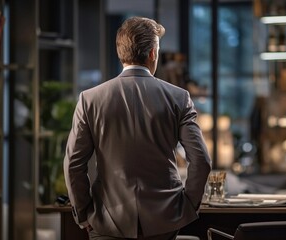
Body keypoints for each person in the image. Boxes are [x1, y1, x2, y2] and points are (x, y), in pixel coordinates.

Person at [63, 16, 212, 240]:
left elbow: (73, 164)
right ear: (153, 53)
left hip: (107, 221)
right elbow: (201, 160)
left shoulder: (89, 99)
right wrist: (188, 206)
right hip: (165, 220)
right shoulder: (178, 97)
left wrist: (83, 214)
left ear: (120, 52)